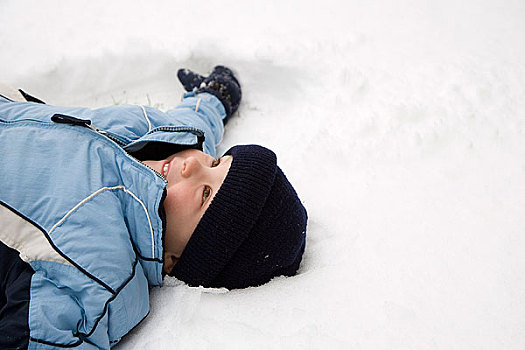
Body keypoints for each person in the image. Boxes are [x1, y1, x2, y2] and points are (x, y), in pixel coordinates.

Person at [0, 66, 307, 349]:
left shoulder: (96, 270)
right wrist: (213, 97)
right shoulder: (170, 137)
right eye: (215, 162)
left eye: (204, 194)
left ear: (175, 260)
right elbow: (199, 123)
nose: (192, 164)